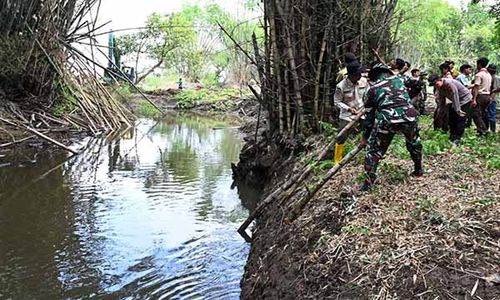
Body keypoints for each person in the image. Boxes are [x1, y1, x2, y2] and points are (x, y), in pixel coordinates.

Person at [359, 63, 422, 191]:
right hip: (409, 116)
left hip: (388, 120)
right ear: (387, 72)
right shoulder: (401, 79)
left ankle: (368, 183)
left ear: (374, 77)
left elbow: (369, 118)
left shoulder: (372, 90)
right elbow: (419, 84)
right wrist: (406, 99)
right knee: (414, 143)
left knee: (373, 150)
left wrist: (365, 137)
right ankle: (418, 170)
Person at [428, 74, 472, 144]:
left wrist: (458, 110)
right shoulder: (440, 87)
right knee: (451, 117)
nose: (436, 86)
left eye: (436, 84)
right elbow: (442, 99)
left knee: (460, 118)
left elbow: (455, 95)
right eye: (434, 85)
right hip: (455, 101)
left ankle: (457, 138)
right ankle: (452, 136)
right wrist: (441, 109)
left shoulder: (449, 84)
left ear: (440, 80)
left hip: (464, 99)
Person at [333, 62, 369, 129]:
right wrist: (348, 109)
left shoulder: (364, 81)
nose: (360, 76)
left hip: (362, 114)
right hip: (347, 117)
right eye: (358, 74)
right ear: (351, 75)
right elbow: (337, 102)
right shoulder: (341, 86)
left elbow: (368, 95)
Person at [472, 57, 491, 135]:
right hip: (487, 95)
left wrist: (474, 99)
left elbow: (476, 87)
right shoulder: (488, 74)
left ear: (479, 64)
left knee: (476, 114)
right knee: (483, 113)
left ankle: (483, 130)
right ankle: (485, 128)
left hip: (480, 95)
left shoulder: (479, 74)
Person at [487, 64, 499, 133]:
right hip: (489, 98)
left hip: (492, 99)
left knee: (491, 114)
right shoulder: (490, 77)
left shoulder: (495, 78)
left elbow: (495, 90)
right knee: (488, 114)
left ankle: (492, 130)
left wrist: (491, 99)